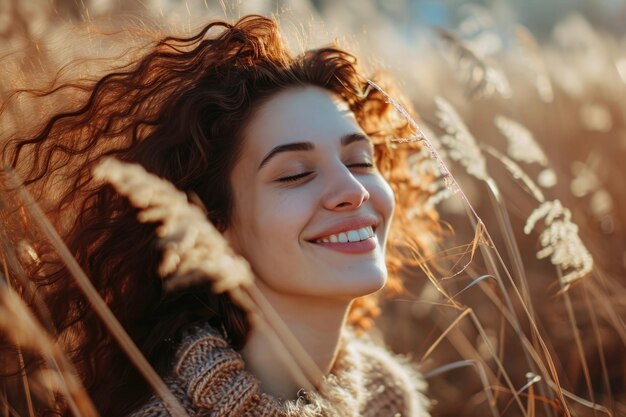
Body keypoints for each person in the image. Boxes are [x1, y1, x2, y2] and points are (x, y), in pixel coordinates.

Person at [1, 14, 436, 416]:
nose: (353, 191)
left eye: (360, 160)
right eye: (296, 174)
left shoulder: (385, 395)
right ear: (215, 225)